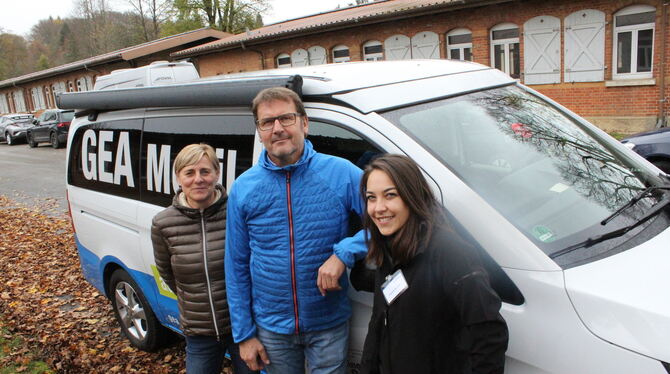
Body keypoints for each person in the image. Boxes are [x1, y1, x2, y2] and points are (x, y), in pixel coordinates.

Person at [225, 87, 367, 374]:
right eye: (267, 122)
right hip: (271, 328)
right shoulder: (244, 187)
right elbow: (236, 265)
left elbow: (391, 224)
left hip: (328, 322)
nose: (277, 128)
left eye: (286, 118)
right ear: (260, 131)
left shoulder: (343, 173)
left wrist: (344, 253)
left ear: (304, 123)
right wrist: (244, 335)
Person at [358, 154, 508, 374]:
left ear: (413, 196)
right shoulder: (388, 249)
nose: (378, 208)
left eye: (390, 195)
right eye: (371, 198)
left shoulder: (450, 251)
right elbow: (378, 325)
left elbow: (489, 333)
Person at [151, 143, 255, 374]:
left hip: (242, 327)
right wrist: (195, 303)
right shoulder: (163, 223)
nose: (198, 179)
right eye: (189, 172)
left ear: (217, 174)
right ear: (179, 178)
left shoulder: (236, 211)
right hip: (199, 331)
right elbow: (167, 272)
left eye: (205, 171)